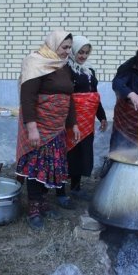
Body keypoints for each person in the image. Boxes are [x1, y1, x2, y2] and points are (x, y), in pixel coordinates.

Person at [15, 30, 80, 230]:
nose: (68, 52)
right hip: (39, 126)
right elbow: (28, 98)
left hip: (57, 127)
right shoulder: (35, 63)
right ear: (53, 45)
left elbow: (69, 99)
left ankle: (43, 203)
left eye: (70, 48)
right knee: (36, 166)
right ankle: (33, 209)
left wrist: (73, 124)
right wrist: (32, 128)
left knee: (50, 166)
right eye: (64, 47)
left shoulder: (64, 67)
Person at [55, 35, 108, 201]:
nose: (83, 56)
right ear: (73, 51)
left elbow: (94, 96)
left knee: (81, 154)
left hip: (87, 122)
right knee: (67, 154)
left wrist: (102, 117)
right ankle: (61, 192)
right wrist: (72, 122)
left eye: (86, 53)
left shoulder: (89, 71)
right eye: (80, 52)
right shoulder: (66, 70)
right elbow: (67, 97)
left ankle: (76, 188)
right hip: (71, 120)